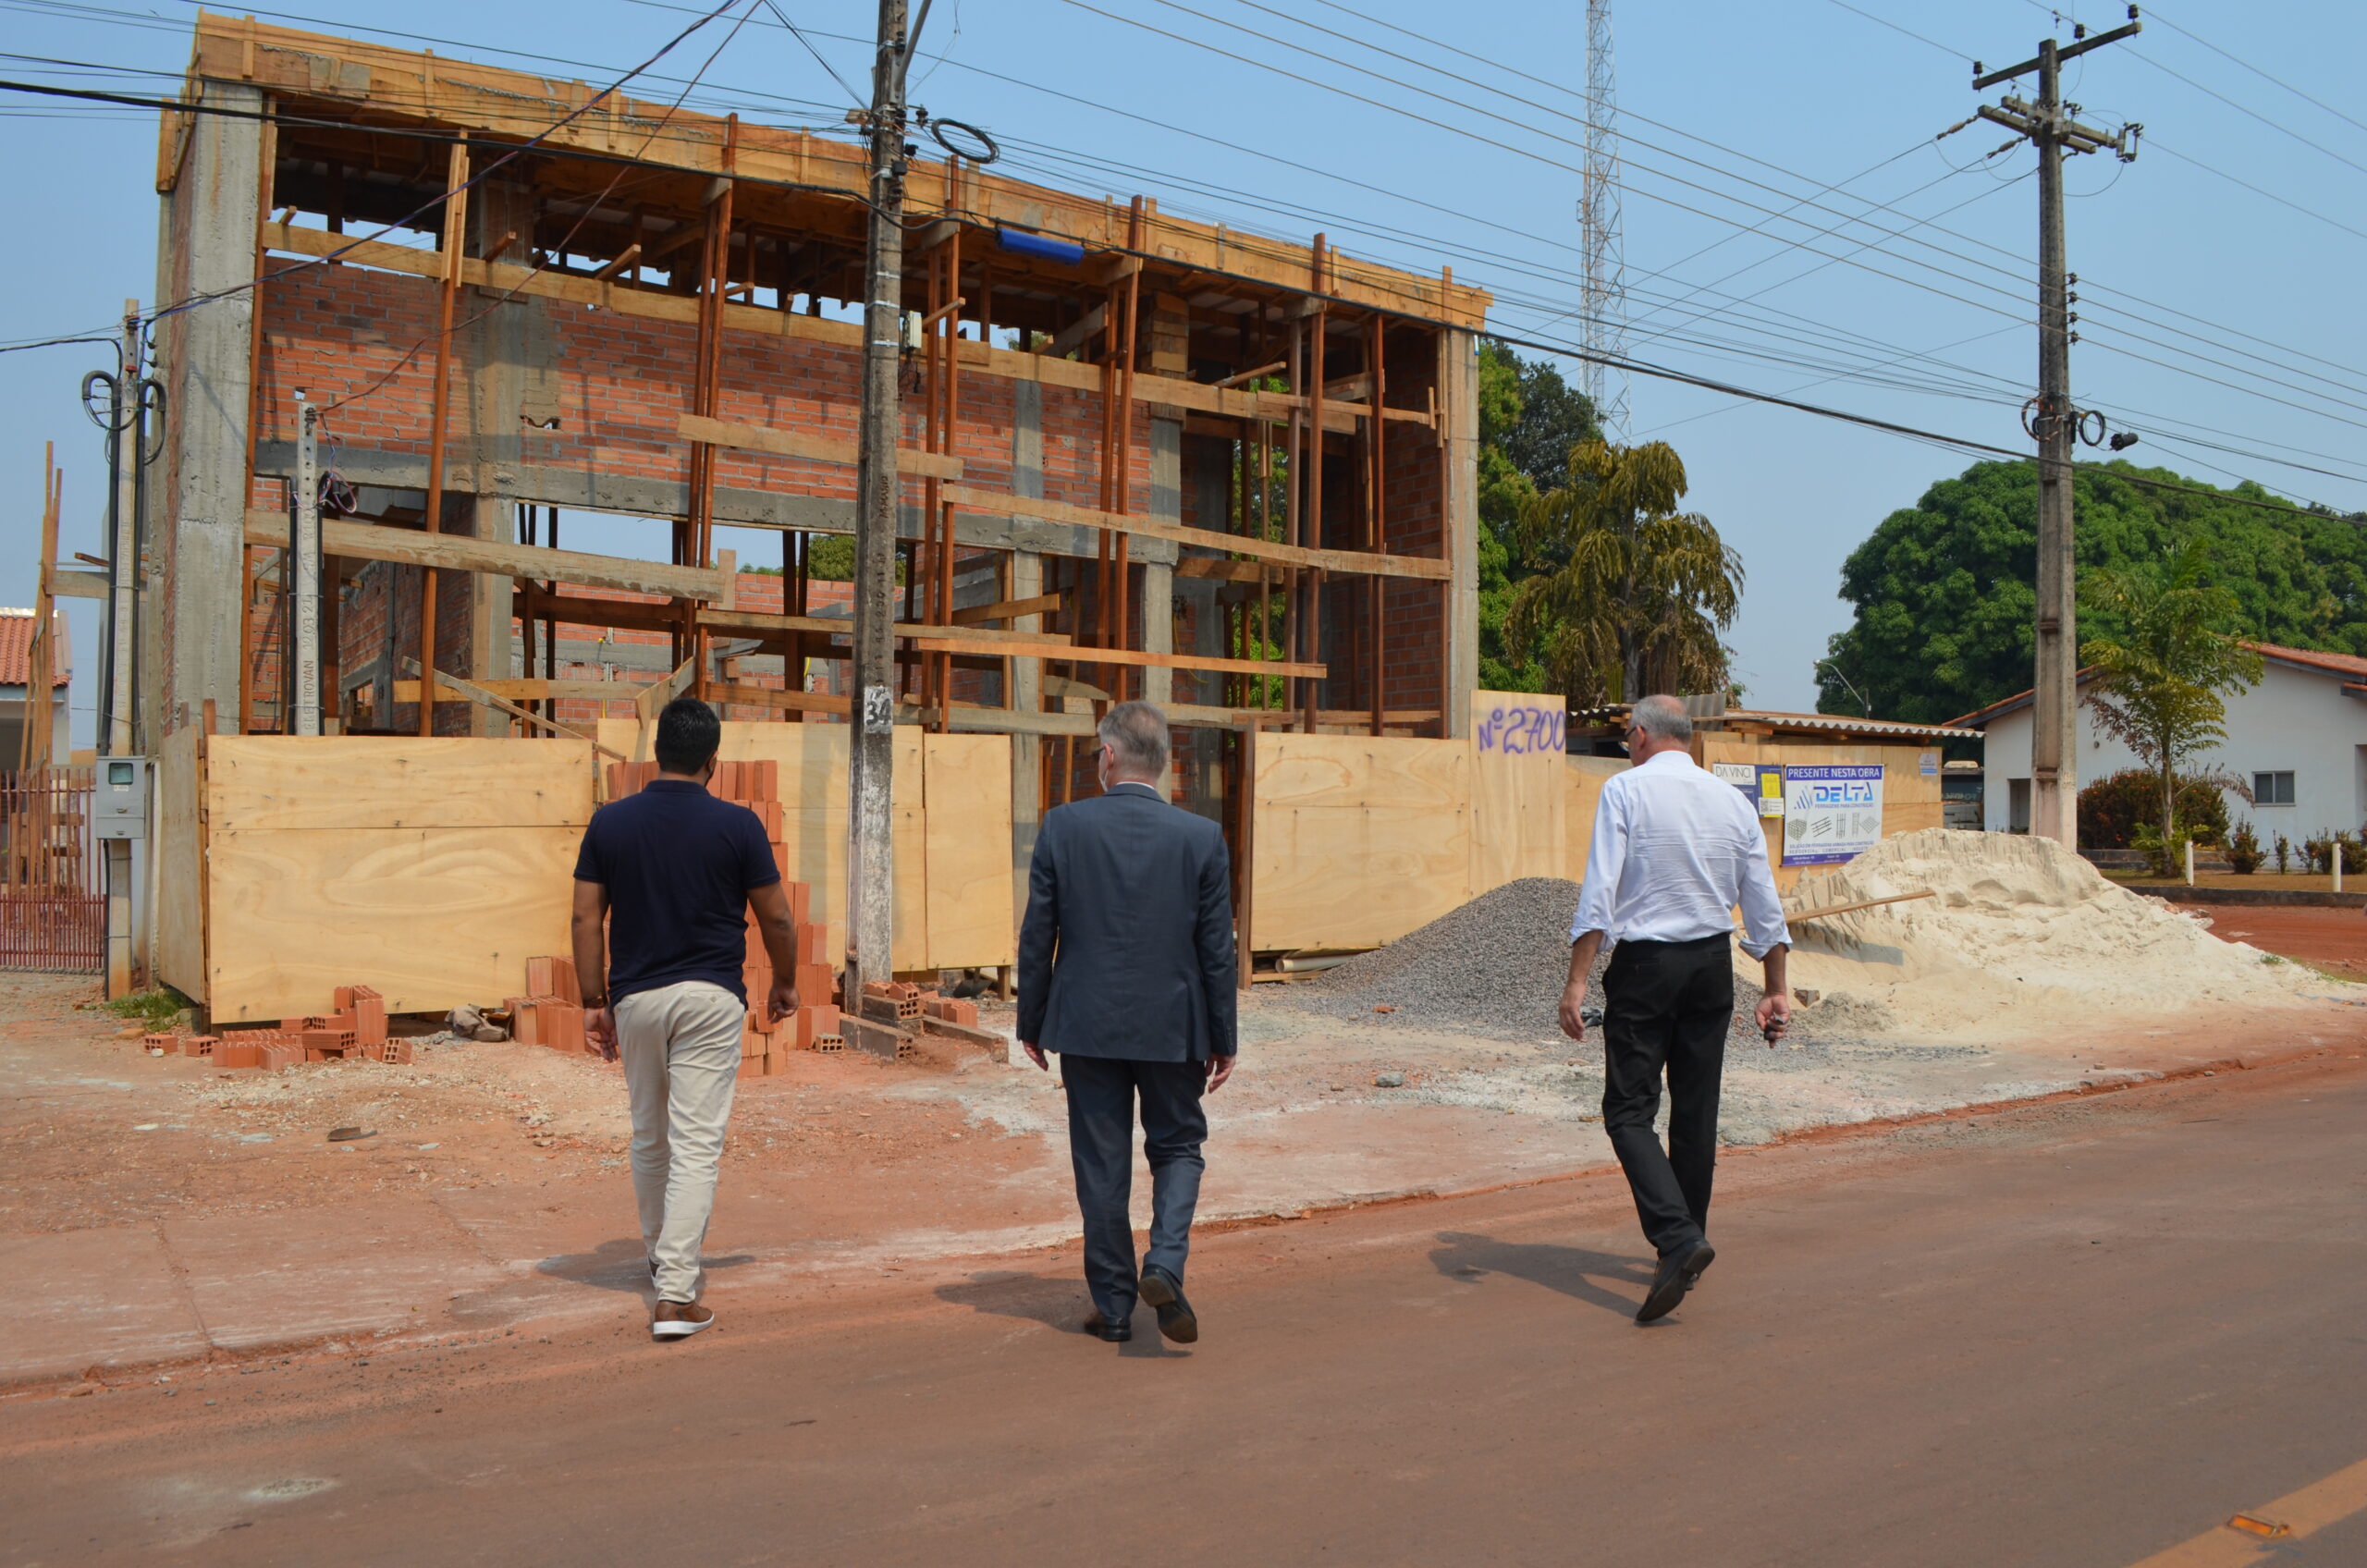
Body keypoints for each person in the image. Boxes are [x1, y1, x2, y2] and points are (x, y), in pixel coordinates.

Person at [1559, 693, 1792, 1324]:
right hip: (1712, 966)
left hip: (1646, 968)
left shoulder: (1625, 791)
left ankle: (1678, 1237)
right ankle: (1684, 1246)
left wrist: (1576, 983)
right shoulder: (1731, 801)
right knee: (1695, 1110)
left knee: (1628, 1111)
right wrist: (1775, 987)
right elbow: (1763, 901)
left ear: (1639, 735)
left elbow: (1599, 894)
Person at [573, 697, 800, 1342]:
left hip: (637, 999)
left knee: (651, 1136)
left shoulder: (610, 823)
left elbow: (586, 917)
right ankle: (675, 1294)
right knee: (696, 1143)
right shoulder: (739, 825)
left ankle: (661, 1259)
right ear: (712, 761)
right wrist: (785, 982)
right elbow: (777, 917)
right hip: (711, 998)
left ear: (657, 755)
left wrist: (593, 1002)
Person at [1018, 701, 1238, 1345]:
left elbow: (1038, 935)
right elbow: (1216, 950)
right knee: (1178, 1147)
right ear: (1163, 763)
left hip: (1086, 1024)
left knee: (1100, 1161)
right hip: (1174, 1025)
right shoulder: (1201, 838)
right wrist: (1223, 1037)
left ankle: (1114, 1307)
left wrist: (1031, 1021)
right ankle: (1163, 1262)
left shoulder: (1064, 826)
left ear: (1109, 756)